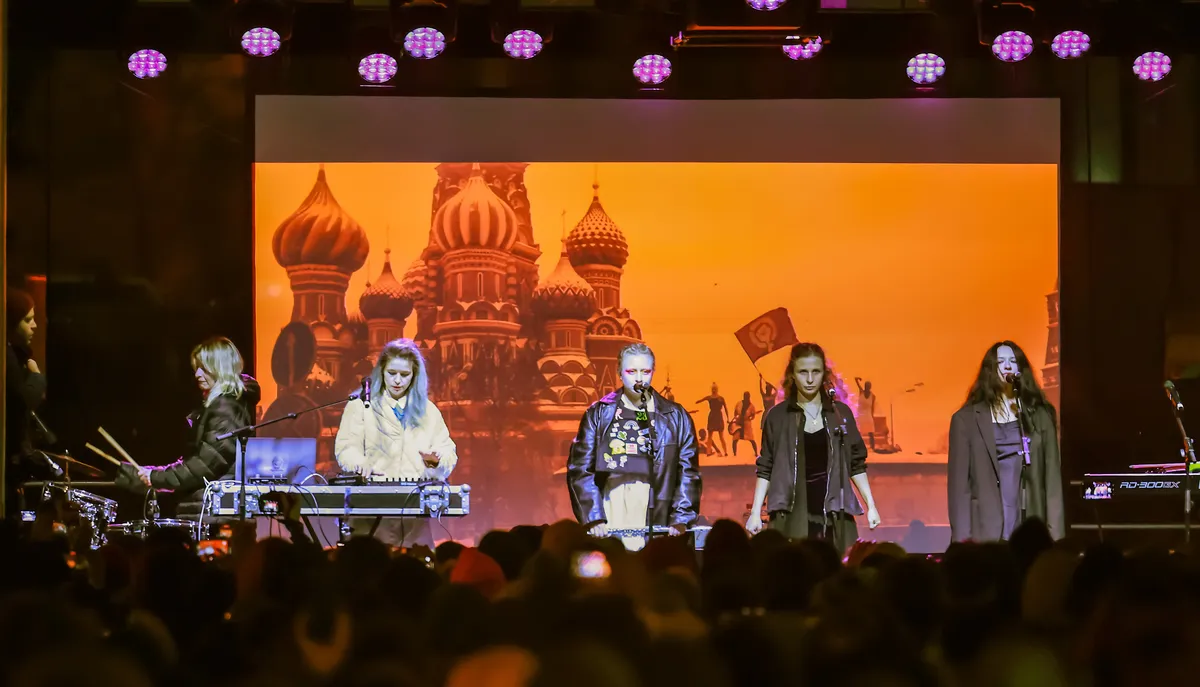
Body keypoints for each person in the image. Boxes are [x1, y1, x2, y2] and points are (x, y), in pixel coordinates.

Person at [746, 343, 881, 554]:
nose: (810, 379)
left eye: (815, 372)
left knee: (837, 576)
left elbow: (856, 463)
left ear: (824, 374)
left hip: (834, 514)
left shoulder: (840, 415)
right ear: (792, 375)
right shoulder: (777, 417)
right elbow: (766, 466)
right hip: (790, 513)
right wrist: (755, 512)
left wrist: (871, 505)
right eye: (803, 372)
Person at [567, 342, 701, 551]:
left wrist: (681, 516)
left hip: (655, 503)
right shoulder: (599, 413)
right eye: (631, 371)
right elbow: (580, 468)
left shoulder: (675, 416)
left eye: (645, 371)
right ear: (619, 373)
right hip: (613, 499)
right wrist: (594, 517)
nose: (639, 378)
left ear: (652, 373)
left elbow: (688, 470)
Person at [115, 337, 261, 521]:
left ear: (220, 368)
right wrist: (152, 473)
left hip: (217, 514)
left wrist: (156, 477)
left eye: (204, 368)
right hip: (212, 511)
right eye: (196, 368)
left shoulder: (226, 407)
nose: (197, 374)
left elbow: (204, 465)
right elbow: (196, 461)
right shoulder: (224, 405)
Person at [335, 338, 457, 548]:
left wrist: (437, 460)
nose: (397, 381)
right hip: (369, 518)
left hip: (414, 520)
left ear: (415, 376)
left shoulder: (429, 411)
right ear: (381, 371)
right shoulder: (360, 406)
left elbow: (448, 452)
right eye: (392, 373)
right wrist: (358, 463)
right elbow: (346, 447)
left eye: (405, 375)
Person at [948, 341, 1063, 542]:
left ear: (1021, 369)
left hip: (1029, 526)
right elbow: (959, 490)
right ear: (990, 370)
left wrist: (1056, 540)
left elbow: (1052, 483)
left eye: (1013, 361)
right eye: (1000, 362)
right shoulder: (965, 420)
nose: (1007, 366)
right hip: (985, 532)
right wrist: (961, 544)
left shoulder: (1040, 416)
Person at [5, 289, 50, 519]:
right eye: (27, 320)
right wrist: (36, 377)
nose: (34, 326)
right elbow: (21, 402)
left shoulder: (13, 355)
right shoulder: (8, 358)